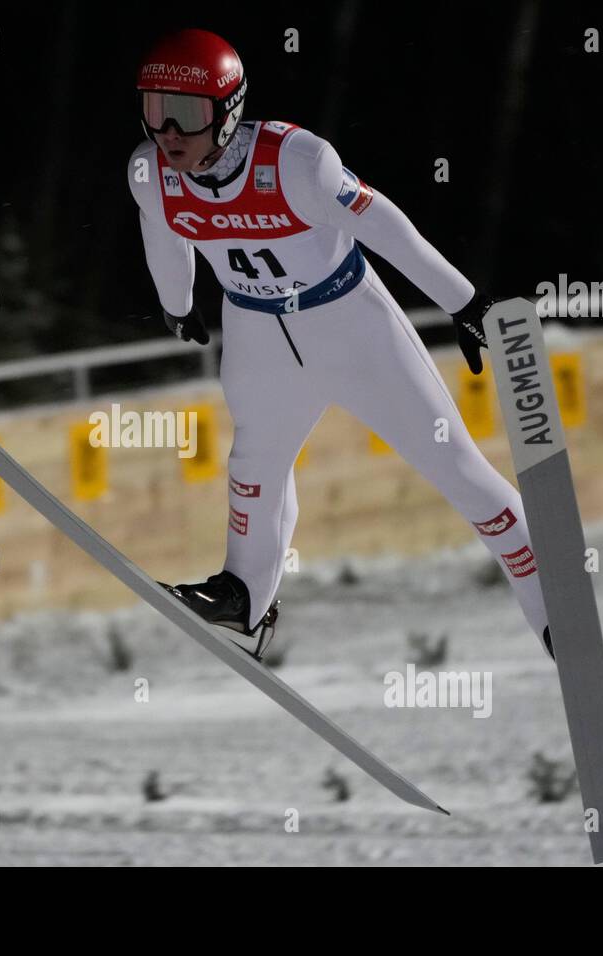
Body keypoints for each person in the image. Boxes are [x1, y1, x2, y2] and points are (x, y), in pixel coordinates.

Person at [127, 28, 552, 661]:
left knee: (456, 466)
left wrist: (464, 302)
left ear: (230, 109)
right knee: (254, 467)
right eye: (155, 109)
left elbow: (389, 229)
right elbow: (164, 235)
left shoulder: (297, 162)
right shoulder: (151, 174)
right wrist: (178, 304)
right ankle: (244, 596)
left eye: (186, 113)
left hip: (352, 328)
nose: (168, 131)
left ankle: (551, 605)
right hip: (257, 335)